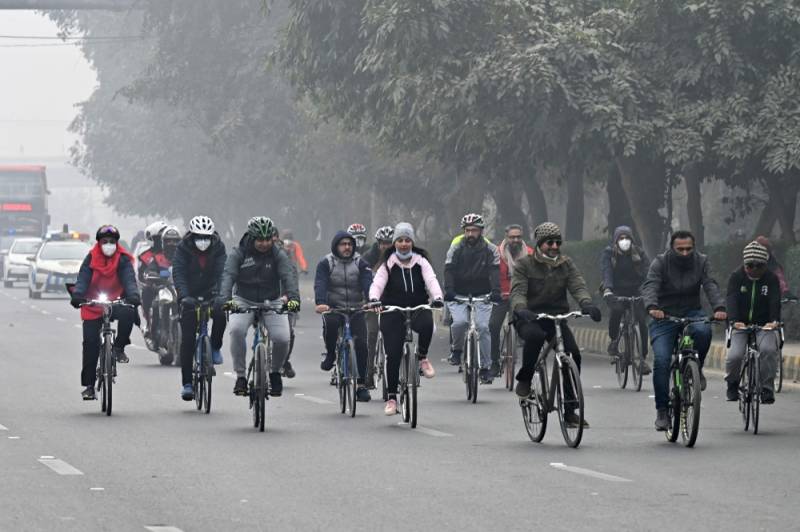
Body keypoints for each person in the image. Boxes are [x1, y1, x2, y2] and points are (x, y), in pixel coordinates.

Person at [511, 222, 601, 428]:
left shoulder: (566, 263)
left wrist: (587, 303)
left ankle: (570, 411)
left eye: (557, 242)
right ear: (540, 244)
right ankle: (525, 378)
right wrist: (521, 308)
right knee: (534, 337)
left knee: (573, 354)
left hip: (556, 317)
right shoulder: (524, 264)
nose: (554, 246)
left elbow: (577, 285)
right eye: (549, 242)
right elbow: (517, 291)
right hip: (529, 316)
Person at [641, 229, 727, 431]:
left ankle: (697, 366)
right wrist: (653, 307)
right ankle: (662, 410)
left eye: (689, 248)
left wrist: (719, 308)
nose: (685, 253)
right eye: (680, 249)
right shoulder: (660, 263)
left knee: (704, 331)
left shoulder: (702, 261)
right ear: (672, 248)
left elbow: (710, 285)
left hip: (692, 312)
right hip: (664, 314)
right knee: (662, 360)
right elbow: (650, 286)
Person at [369, 223, 444, 415]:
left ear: (412, 242)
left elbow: (432, 280)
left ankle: (422, 357)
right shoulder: (388, 263)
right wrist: (374, 299)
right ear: (395, 243)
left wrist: (437, 297)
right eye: (400, 240)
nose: (404, 244)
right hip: (392, 310)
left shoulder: (421, 261)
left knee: (428, 325)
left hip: (418, 306)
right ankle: (392, 398)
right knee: (392, 355)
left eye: (407, 240)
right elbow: (377, 284)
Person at [221, 217, 300, 398]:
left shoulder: (278, 254)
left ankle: (274, 372)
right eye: (260, 240)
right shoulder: (239, 253)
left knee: (282, 338)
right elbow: (228, 276)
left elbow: (288, 276)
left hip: (272, 300)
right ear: (251, 237)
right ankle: (240, 376)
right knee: (236, 330)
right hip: (243, 299)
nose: (264, 244)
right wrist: (225, 299)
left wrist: (294, 299)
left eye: (267, 239)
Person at [70, 225, 140, 400]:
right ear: (99, 243)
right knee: (90, 343)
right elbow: (83, 279)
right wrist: (78, 295)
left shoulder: (123, 260)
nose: (109, 245)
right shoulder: (91, 259)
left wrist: (133, 295)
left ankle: (118, 348)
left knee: (128, 313)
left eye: (112, 242)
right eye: (105, 242)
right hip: (93, 303)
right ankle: (89, 386)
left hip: (116, 301)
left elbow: (129, 280)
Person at [172, 215, 228, 401]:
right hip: (189, 294)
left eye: (206, 237)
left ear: (212, 237)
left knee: (221, 312)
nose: (202, 241)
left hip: (212, 292)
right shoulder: (182, 249)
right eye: (198, 237)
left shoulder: (219, 248)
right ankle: (187, 383)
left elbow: (223, 273)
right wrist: (184, 296)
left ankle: (215, 347)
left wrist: (221, 294)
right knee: (187, 339)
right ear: (192, 236)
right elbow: (179, 273)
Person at [315, 230, 373, 401]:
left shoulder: (360, 262)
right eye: (343, 244)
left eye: (349, 244)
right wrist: (320, 302)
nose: (347, 247)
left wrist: (371, 300)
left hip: (357, 308)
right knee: (331, 326)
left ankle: (361, 385)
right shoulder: (326, 262)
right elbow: (320, 283)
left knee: (362, 344)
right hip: (334, 307)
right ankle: (331, 354)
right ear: (336, 246)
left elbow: (367, 282)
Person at [444, 213, 501, 384]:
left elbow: (495, 271)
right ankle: (456, 350)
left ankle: (485, 367)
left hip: (483, 294)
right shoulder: (456, 247)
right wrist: (449, 290)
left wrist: (496, 291)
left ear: (481, 231)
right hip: (458, 294)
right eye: (467, 230)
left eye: (474, 230)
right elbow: (448, 270)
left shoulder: (490, 249)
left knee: (483, 328)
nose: (470, 234)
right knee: (460, 323)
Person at [724, 241, 782, 404]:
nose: (754, 270)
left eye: (759, 266)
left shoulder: (771, 278)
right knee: (735, 356)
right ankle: (732, 384)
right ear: (744, 264)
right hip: (740, 324)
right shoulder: (736, 277)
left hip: (764, 325)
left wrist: (774, 321)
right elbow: (731, 299)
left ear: (765, 265)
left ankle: (767, 388)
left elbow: (774, 300)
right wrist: (734, 321)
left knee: (768, 350)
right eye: (750, 265)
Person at [600, 225, 651, 374]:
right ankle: (614, 341)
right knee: (616, 312)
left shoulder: (639, 253)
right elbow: (607, 271)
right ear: (616, 240)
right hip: (616, 290)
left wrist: (648, 288)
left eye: (627, 238)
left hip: (636, 290)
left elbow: (648, 272)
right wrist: (608, 289)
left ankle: (642, 358)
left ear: (632, 239)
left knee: (642, 321)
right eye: (621, 238)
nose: (625, 241)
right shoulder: (609, 253)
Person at [488, 224, 532, 376]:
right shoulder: (495, 254)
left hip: (521, 298)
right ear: (506, 237)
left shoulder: (530, 254)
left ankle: (530, 366)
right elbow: (490, 275)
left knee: (528, 330)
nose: (515, 240)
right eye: (512, 237)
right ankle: (494, 362)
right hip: (501, 297)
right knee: (493, 326)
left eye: (518, 237)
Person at [362, 225, 394, 387]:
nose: (385, 246)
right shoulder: (368, 257)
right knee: (372, 334)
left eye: (389, 243)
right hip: (372, 301)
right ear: (378, 243)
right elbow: (362, 280)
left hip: (392, 301)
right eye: (383, 243)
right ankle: (368, 373)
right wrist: (366, 300)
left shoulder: (400, 257)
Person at [138, 225, 180, 336]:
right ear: (163, 242)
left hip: (180, 288)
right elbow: (148, 270)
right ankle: (153, 328)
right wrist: (151, 275)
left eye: (175, 241)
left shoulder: (184, 257)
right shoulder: (157, 257)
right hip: (162, 287)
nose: (172, 244)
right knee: (154, 301)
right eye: (168, 241)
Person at [271, 227, 300, 379]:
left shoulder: (285, 255)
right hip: (263, 300)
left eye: (273, 238)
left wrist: (290, 296)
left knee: (289, 333)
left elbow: (291, 277)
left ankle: (284, 361)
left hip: (283, 298)